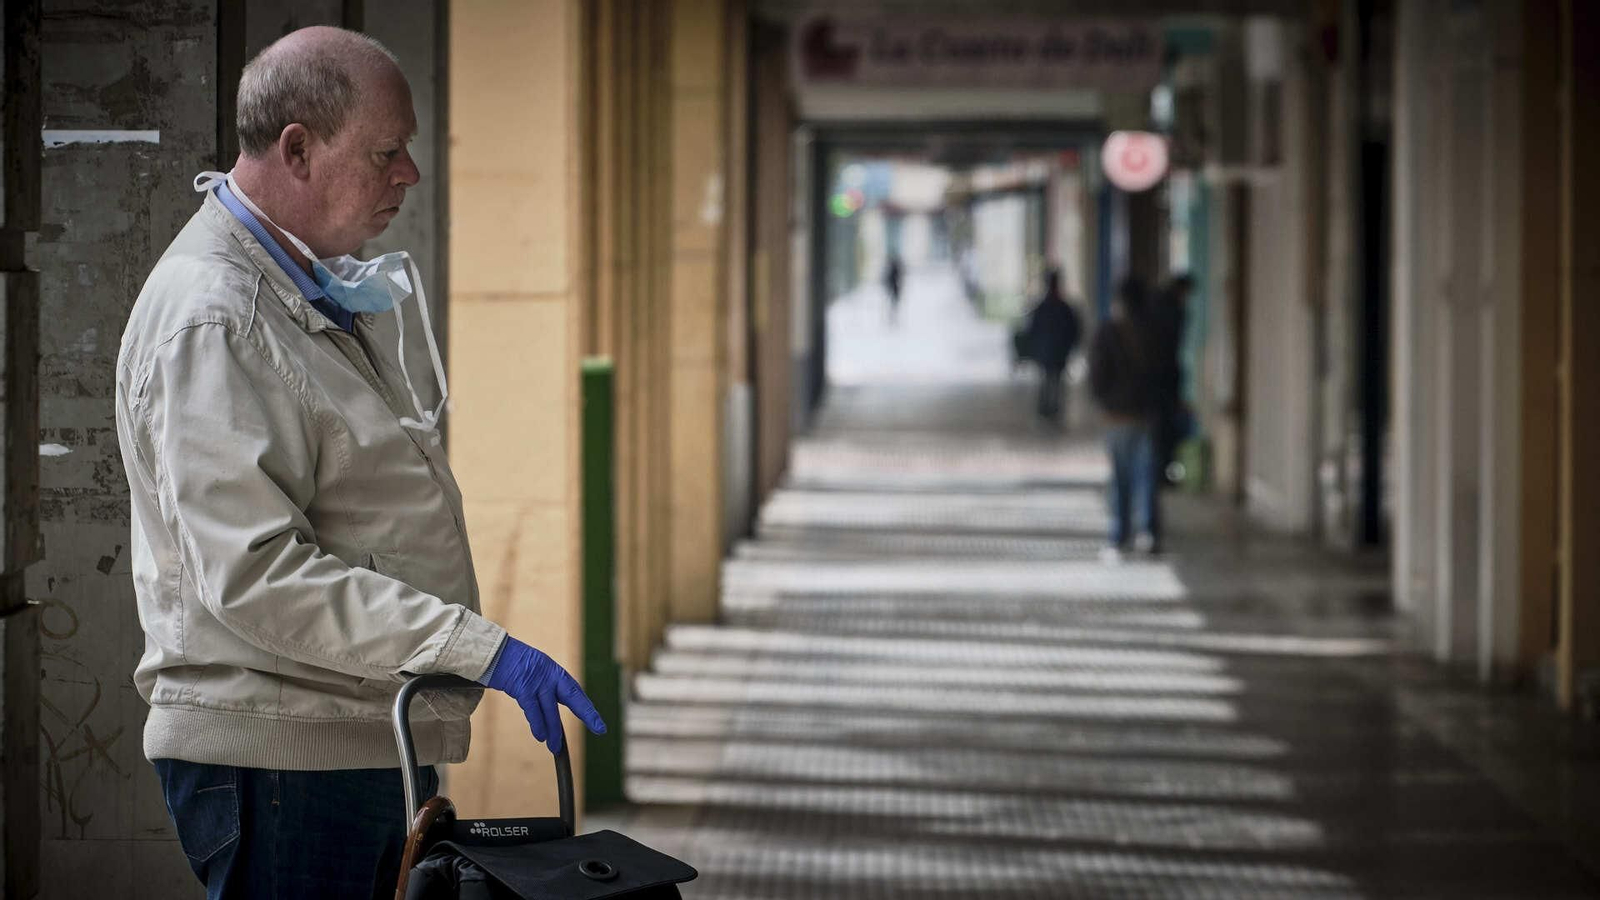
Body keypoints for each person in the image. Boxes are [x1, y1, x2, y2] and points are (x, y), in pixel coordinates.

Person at [114, 27, 605, 899]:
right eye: (387, 151)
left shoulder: (299, 287)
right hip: (284, 765)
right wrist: (471, 648)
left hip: (345, 737)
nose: (409, 173)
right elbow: (254, 573)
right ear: (296, 148)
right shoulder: (217, 317)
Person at [1088, 277, 1162, 558]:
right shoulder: (1153, 332)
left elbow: (1097, 374)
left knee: (1120, 478)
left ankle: (1119, 537)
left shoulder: (1108, 331)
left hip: (1117, 417)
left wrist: (1104, 402)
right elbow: (1164, 372)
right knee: (1146, 476)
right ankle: (1149, 533)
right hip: (1145, 415)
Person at [1020, 269, 1083, 423]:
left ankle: (1048, 410)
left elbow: (1032, 331)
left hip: (1049, 353)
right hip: (1055, 353)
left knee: (1049, 381)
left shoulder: (1044, 308)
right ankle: (1050, 410)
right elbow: (1074, 331)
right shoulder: (1062, 308)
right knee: (1053, 381)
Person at [1151, 274, 1194, 486]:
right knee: (1164, 431)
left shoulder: (1158, 308)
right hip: (1165, 380)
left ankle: (1160, 472)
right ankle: (1161, 473)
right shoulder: (1172, 312)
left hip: (1159, 381)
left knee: (1161, 431)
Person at [884, 254, 904, 324]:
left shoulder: (893, 270)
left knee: (893, 304)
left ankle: (893, 317)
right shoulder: (893, 270)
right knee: (892, 304)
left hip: (894, 289)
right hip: (893, 289)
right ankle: (892, 317)